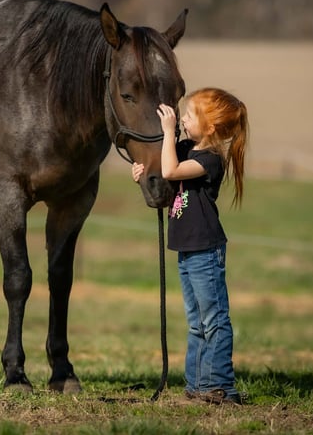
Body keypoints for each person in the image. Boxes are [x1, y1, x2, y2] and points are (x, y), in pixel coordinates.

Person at [132, 87, 249, 406]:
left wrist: (168, 132)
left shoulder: (210, 159)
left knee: (214, 319)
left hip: (205, 249)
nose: (181, 118)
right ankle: (198, 386)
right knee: (196, 321)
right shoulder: (185, 148)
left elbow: (171, 170)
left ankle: (221, 387)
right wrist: (142, 174)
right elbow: (163, 174)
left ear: (210, 126)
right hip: (187, 247)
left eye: (189, 114)